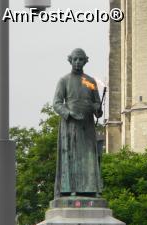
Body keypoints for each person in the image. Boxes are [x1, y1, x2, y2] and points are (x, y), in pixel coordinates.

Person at [53, 48, 103, 198]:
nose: (78, 62)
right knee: (71, 156)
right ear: (70, 60)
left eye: (81, 59)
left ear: (85, 61)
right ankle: (70, 188)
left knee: (89, 157)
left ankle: (91, 189)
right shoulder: (64, 80)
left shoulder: (90, 81)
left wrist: (97, 109)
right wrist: (69, 113)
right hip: (70, 126)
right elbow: (56, 103)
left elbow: (96, 103)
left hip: (87, 125)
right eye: (75, 59)